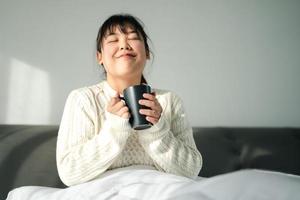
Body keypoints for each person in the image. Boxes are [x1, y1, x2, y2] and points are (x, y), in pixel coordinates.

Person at [56, 14, 202, 186]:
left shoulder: (169, 101)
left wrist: (157, 130)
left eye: (133, 38)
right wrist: (114, 130)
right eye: (113, 41)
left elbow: (191, 170)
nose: (124, 45)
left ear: (147, 53)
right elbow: (69, 172)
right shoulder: (83, 99)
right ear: (99, 57)